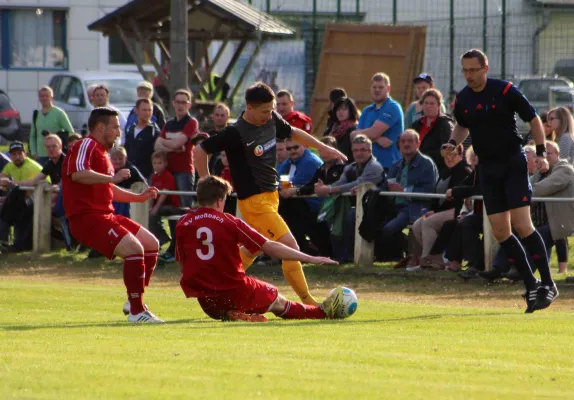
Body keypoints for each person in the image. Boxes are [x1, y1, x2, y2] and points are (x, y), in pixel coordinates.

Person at [194, 82, 347, 305]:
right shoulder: (236, 132)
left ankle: (218, 288)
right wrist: (205, 182)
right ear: (250, 107)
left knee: (252, 249)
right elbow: (200, 150)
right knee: (290, 247)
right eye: (265, 111)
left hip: (271, 198)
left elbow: (293, 132)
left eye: (271, 109)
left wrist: (322, 148)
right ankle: (308, 301)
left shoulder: (271, 118)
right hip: (255, 203)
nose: (269, 115)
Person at [444, 48, 557, 313]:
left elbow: (533, 119)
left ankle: (549, 284)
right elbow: (462, 126)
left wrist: (540, 153)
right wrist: (451, 143)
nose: (469, 75)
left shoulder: (505, 91)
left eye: (473, 70)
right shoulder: (463, 98)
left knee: (521, 223)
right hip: (488, 168)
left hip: (512, 163)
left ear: (486, 68)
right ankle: (531, 285)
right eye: (465, 71)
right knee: (500, 231)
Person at [176, 175, 346, 322]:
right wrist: (311, 258)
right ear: (220, 200)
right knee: (278, 300)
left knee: (241, 285)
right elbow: (270, 247)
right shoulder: (229, 222)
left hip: (207, 303)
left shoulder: (183, 222)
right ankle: (324, 313)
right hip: (234, 292)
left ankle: (235, 313)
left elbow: (182, 264)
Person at [61, 107, 163, 323]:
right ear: (100, 127)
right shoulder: (85, 144)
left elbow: (108, 188)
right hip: (87, 217)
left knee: (151, 244)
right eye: (115, 127)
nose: (119, 132)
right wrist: (113, 178)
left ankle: (134, 301)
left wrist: (139, 197)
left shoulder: (102, 153)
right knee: (135, 250)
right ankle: (137, 311)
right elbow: (78, 174)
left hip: (105, 215)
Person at [154, 89, 198, 207]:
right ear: (173, 104)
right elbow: (157, 145)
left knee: (185, 208)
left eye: (183, 102)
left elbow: (177, 143)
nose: (180, 105)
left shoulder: (191, 122)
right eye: (178, 102)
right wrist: (173, 148)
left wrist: (166, 143)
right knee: (169, 207)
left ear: (189, 105)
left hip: (184, 172)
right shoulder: (168, 124)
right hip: (168, 171)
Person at [352, 73, 403, 171]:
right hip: (367, 166)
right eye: (374, 87)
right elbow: (355, 138)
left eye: (381, 87)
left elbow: (372, 133)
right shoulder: (367, 110)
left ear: (388, 89)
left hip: (388, 166)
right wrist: (377, 139)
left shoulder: (392, 107)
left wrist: (368, 135)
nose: (377, 90)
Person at [149, 151, 186, 259]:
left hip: (172, 205)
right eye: (154, 163)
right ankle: (161, 238)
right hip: (162, 206)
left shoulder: (167, 175)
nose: (157, 166)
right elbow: (153, 193)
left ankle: (164, 239)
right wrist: (150, 207)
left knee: (157, 213)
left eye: (159, 163)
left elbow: (164, 194)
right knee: (149, 215)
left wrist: (155, 207)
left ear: (165, 163)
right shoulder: (154, 177)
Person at [411, 89, 454, 173]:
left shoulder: (445, 125)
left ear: (438, 106)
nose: (428, 106)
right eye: (426, 103)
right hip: (417, 169)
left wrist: (423, 156)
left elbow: (446, 150)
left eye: (432, 103)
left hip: (438, 169)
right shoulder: (416, 124)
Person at [29, 86, 74, 164]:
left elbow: (71, 132)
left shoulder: (59, 113)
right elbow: (32, 135)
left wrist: (55, 136)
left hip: (56, 155)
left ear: (52, 97)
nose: (44, 98)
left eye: (47, 96)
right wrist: (34, 152)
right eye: (42, 96)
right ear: (39, 98)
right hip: (40, 155)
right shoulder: (36, 114)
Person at [124, 98, 161, 179]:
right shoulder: (130, 128)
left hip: (146, 175)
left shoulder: (154, 131)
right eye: (144, 110)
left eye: (149, 110)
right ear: (136, 111)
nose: (147, 113)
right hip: (130, 173)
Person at [329, 97, 360, 162]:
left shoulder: (353, 129)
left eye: (344, 109)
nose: (340, 112)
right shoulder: (334, 128)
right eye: (338, 109)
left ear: (351, 111)